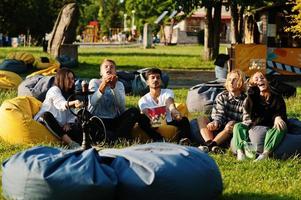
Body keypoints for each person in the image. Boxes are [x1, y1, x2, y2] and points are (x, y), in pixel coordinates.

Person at [233, 71, 287, 161]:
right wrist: (253, 90)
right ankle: (240, 152)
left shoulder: (276, 97)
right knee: (237, 126)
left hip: (271, 126)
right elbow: (252, 114)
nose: (260, 80)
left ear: (267, 81)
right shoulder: (251, 99)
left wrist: (278, 117)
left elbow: (281, 112)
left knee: (281, 127)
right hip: (254, 126)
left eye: (262, 78)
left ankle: (265, 154)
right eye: (256, 79)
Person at [88, 59, 139, 141]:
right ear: (101, 72)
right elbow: (93, 102)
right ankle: (113, 137)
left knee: (134, 111)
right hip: (98, 120)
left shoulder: (119, 84)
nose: (109, 69)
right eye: (106, 67)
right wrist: (103, 85)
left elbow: (121, 107)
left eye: (112, 67)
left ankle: (117, 136)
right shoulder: (94, 82)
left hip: (114, 121)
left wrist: (113, 87)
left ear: (115, 72)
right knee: (83, 116)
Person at [197, 69, 247, 153]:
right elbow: (219, 114)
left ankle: (209, 147)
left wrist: (233, 124)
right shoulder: (222, 96)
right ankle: (210, 143)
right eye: (230, 80)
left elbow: (245, 120)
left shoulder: (246, 100)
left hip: (232, 131)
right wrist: (215, 122)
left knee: (231, 124)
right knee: (201, 118)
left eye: (235, 80)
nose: (231, 82)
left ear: (241, 82)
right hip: (220, 126)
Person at [138, 68, 191, 143]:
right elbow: (146, 112)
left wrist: (174, 111)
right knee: (143, 120)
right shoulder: (143, 100)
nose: (156, 79)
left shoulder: (167, 92)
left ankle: (184, 140)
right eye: (152, 77)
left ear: (161, 81)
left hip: (168, 120)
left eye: (158, 77)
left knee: (184, 120)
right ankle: (159, 139)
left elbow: (169, 102)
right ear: (147, 82)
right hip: (153, 122)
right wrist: (154, 119)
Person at [34, 68, 83, 149]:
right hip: (46, 122)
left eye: (73, 79)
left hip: (61, 125)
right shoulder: (54, 90)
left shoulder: (70, 93)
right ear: (61, 79)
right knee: (46, 115)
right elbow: (61, 104)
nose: (72, 81)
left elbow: (72, 114)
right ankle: (70, 143)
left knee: (78, 126)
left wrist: (68, 122)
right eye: (68, 79)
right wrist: (73, 103)